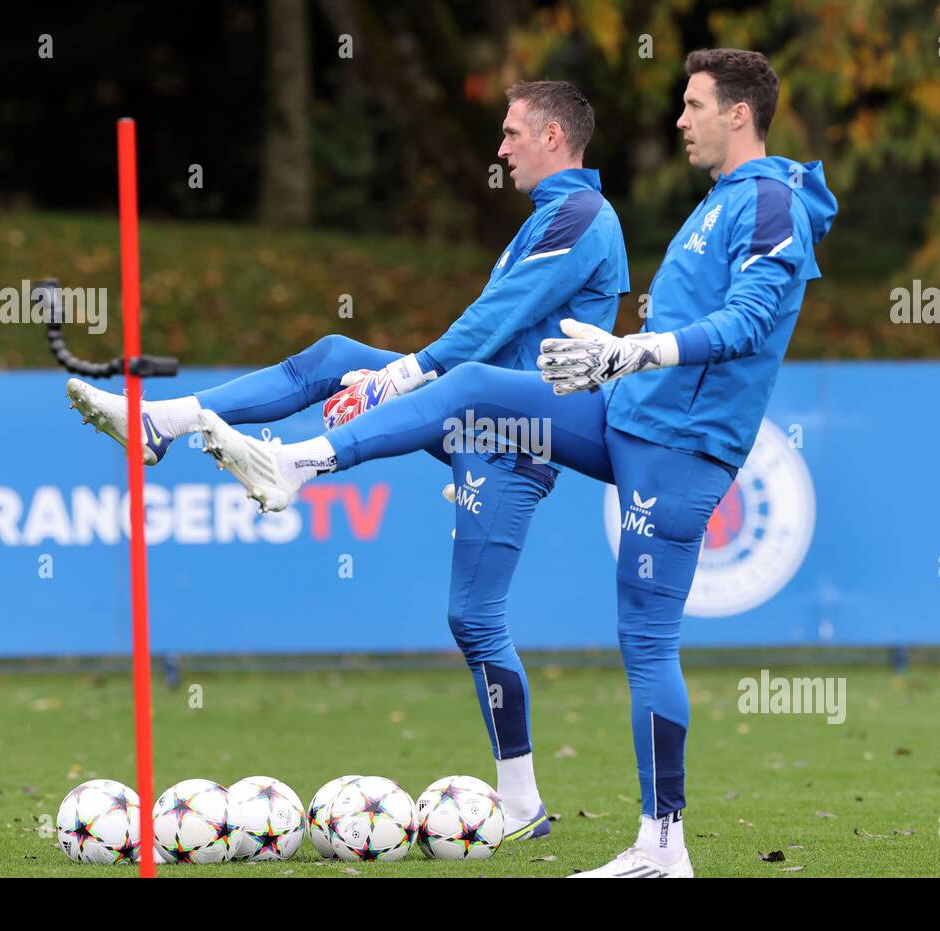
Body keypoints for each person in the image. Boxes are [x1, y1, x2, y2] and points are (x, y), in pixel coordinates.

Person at [195, 48, 838, 877]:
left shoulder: (774, 201)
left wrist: (635, 350)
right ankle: (301, 463)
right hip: (627, 422)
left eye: (694, 105)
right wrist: (614, 363)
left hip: (680, 452)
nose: (680, 119)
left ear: (739, 114)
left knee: (646, 644)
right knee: (475, 388)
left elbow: (749, 323)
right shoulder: (723, 200)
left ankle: (663, 846)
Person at [63, 80, 629, 843]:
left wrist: (398, 377)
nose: (500, 148)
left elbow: (495, 323)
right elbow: (491, 337)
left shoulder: (582, 216)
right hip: (472, 407)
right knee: (335, 355)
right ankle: (164, 420)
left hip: (517, 438)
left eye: (512, 133)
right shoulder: (549, 217)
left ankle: (522, 803)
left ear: (555, 136)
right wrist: (389, 377)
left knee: (473, 618)